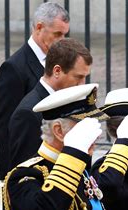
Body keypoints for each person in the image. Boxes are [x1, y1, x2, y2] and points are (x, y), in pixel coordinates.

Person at [0, 4, 69, 210]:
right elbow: (5, 136)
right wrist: (15, 192)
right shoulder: (15, 68)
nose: (62, 41)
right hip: (27, 184)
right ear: (38, 29)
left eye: (66, 35)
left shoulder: (60, 65)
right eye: (57, 35)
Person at [9, 37, 93, 170]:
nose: (82, 84)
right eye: (78, 77)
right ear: (57, 71)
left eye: (85, 77)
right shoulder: (29, 113)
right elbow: (25, 174)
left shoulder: (72, 102)